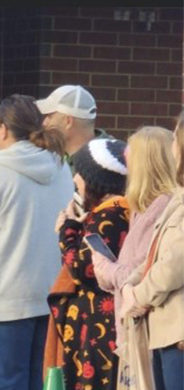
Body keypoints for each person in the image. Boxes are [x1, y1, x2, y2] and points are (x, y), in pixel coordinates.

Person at [0, 94, 73, 390]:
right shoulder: (61, 168)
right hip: (49, 296)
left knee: (9, 384)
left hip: (5, 299)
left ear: (2, 128)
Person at [49, 138, 130, 390]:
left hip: (99, 331)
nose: (75, 179)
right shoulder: (125, 211)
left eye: (80, 173)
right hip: (105, 326)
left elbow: (82, 269)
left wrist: (67, 231)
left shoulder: (108, 215)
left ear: (95, 181)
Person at [91, 127, 176, 349]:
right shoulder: (143, 206)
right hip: (136, 328)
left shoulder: (163, 206)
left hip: (152, 333)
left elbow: (146, 270)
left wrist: (106, 268)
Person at [122, 111, 184, 390]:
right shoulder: (178, 199)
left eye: (175, 139)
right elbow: (154, 254)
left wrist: (138, 294)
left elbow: (174, 264)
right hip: (164, 330)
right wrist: (130, 283)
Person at [36, 85, 112, 172]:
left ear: (68, 121)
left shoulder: (111, 161)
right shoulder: (50, 155)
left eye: (50, 116)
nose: (44, 123)